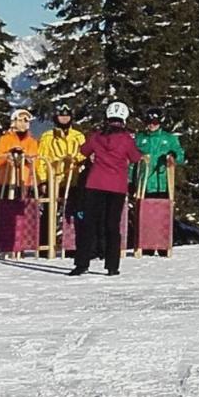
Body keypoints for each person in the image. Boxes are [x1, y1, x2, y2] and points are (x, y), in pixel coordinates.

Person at [70, 101, 142, 277]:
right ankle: (112, 265)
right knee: (112, 225)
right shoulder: (126, 139)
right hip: (117, 186)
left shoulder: (96, 136)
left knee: (88, 224)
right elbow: (135, 157)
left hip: (95, 183)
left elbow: (84, 150)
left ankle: (81, 263)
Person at [134, 107, 185, 198]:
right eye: (149, 122)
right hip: (144, 184)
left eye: (155, 122)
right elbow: (132, 161)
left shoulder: (169, 139)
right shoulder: (140, 138)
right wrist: (130, 181)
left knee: (160, 210)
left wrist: (174, 156)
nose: (152, 125)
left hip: (162, 184)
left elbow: (180, 156)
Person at [36, 102, 86, 190]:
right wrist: (43, 180)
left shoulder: (78, 136)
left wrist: (76, 160)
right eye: (61, 117)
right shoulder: (48, 137)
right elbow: (41, 159)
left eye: (67, 116)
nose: (64, 119)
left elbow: (83, 155)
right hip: (53, 181)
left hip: (73, 181)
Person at [0, 109, 39, 194]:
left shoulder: (32, 142)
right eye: (20, 120)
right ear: (14, 122)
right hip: (6, 182)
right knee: (7, 206)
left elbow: (35, 161)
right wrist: (9, 156)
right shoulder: (5, 139)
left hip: (25, 182)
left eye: (26, 121)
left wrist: (26, 158)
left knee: (23, 206)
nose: (23, 123)